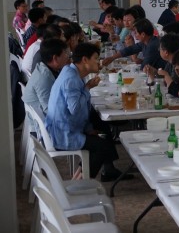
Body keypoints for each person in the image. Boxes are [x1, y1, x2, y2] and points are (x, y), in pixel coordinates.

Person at [45, 42, 126, 181]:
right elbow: (75, 108)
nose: (99, 62)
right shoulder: (71, 79)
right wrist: (87, 88)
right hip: (64, 133)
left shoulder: (72, 71)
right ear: (84, 60)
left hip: (65, 126)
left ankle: (82, 178)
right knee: (101, 147)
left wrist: (88, 128)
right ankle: (82, 184)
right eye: (95, 58)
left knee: (101, 126)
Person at [22, 38, 70, 115]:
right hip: (42, 119)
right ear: (55, 58)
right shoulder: (44, 77)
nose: (68, 57)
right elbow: (50, 110)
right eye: (65, 53)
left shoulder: (46, 67)